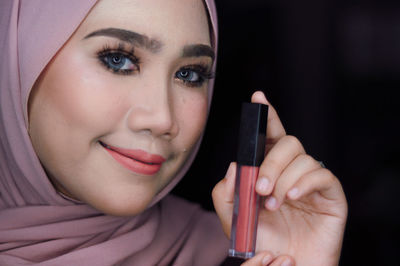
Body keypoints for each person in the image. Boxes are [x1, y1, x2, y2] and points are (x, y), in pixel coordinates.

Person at [0, 0, 347, 265]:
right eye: (118, 59)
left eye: (190, 75)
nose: (163, 118)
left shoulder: (233, 253)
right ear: (17, 58)